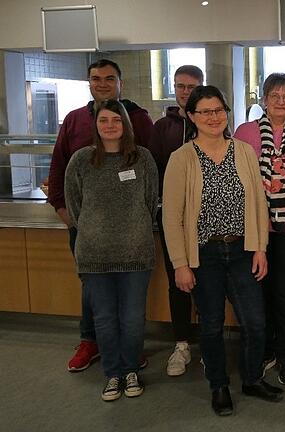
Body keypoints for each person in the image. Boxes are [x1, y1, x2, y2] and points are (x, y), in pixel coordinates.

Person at [162, 85, 281, 416]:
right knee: (211, 326)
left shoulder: (242, 150)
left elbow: (257, 202)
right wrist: (180, 265)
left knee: (255, 323)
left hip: (242, 250)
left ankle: (252, 378)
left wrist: (260, 248)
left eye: (218, 110)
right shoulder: (181, 158)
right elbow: (171, 217)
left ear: (227, 113)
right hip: (204, 256)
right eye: (205, 112)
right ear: (192, 116)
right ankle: (218, 385)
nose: (213, 117)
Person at [48, 58, 154, 373]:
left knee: (130, 312)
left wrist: (135, 224)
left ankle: (130, 358)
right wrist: (73, 220)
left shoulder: (139, 121)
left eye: (109, 78)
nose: (102, 83)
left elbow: (149, 195)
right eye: (96, 78)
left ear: (120, 82)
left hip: (133, 238)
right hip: (89, 233)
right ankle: (91, 344)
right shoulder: (74, 122)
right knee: (97, 301)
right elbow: (61, 173)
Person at [64, 99, 158, 401]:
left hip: (136, 252)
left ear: (126, 124)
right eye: (104, 120)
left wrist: (131, 227)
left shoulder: (141, 159)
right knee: (103, 319)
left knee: (132, 318)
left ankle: (130, 370)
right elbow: (75, 205)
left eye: (116, 120)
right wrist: (94, 229)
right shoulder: (81, 160)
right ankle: (113, 374)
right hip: (95, 254)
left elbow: (150, 200)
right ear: (96, 125)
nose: (110, 125)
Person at [233, 73, 285, 385]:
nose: (281, 101)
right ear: (263, 99)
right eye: (275, 95)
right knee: (259, 292)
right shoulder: (244, 133)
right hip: (256, 226)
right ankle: (263, 349)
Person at [148, 64, 204, 377]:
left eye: (191, 87)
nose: (185, 92)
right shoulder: (162, 127)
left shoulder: (211, 124)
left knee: (208, 284)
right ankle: (181, 344)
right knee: (178, 283)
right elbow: (154, 169)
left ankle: (210, 344)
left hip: (208, 223)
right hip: (174, 221)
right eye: (180, 86)